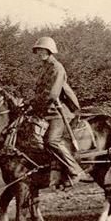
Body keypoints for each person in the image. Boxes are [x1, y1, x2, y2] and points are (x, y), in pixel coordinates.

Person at [30, 36, 88, 189]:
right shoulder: (44, 68)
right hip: (46, 111)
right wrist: (30, 103)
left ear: (50, 51)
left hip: (58, 112)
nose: (40, 53)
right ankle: (53, 171)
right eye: (38, 51)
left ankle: (75, 170)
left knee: (52, 140)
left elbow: (53, 94)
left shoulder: (57, 68)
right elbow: (40, 92)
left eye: (43, 50)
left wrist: (36, 104)